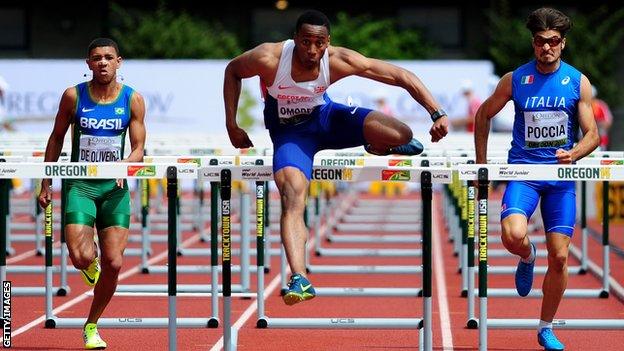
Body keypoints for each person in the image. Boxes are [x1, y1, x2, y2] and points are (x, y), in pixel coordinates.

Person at [224, 10, 449, 306]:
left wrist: (436, 112)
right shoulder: (269, 58)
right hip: (292, 136)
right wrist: (232, 124)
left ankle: (377, 145)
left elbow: (400, 75)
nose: (312, 51)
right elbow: (232, 71)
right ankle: (300, 277)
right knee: (293, 196)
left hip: (327, 120)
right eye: (306, 42)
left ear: (328, 42)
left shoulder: (338, 59)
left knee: (402, 134)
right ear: (295, 39)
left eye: (319, 43)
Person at [474, 8, 599, 351]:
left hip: (559, 178)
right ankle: (527, 256)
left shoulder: (577, 81)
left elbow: (593, 135)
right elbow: (483, 115)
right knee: (513, 235)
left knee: (560, 258)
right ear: (533, 44)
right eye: (541, 42)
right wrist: (482, 166)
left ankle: (545, 327)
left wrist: (574, 153)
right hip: (523, 173)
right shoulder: (515, 79)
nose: (547, 48)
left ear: (563, 44)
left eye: (554, 42)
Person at [37, 38, 146, 350]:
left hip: (114, 188)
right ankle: (88, 264)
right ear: (88, 63)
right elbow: (56, 138)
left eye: (108, 58)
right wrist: (46, 183)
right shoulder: (74, 96)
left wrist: (124, 167)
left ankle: (92, 324)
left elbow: (138, 148)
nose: (103, 63)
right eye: (96, 58)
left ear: (119, 62)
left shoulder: (132, 99)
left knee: (113, 263)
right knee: (82, 256)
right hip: (80, 185)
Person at [591, 85, 613, 150]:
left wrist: (598, 126)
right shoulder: (583, 106)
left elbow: (608, 121)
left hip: (601, 136)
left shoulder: (600, 105)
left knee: (602, 131)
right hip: (586, 136)